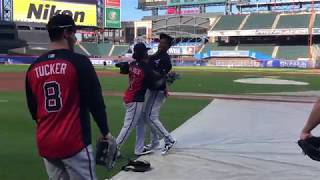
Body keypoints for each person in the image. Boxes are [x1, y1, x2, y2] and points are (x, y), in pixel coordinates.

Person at [25, 14, 112, 180]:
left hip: (46, 142)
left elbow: (34, 110)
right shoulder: (79, 62)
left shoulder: (33, 67)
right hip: (74, 143)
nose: (75, 38)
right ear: (66, 33)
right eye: (73, 33)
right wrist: (105, 131)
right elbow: (96, 102)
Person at [116, 43, 161, 156]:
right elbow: (154, 84)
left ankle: (139, 149)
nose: (147, 53)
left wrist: (121, 64)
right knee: (128, 126)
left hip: (130, 97)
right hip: (135, 100)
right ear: (142, 53)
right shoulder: (145, 68)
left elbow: (123, 69)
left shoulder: (132, 64)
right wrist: (165, 80)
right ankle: (114, 150)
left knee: (140, 123)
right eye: (145, 52)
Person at [135, 33, 176, 155]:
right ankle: (155, 142)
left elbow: (158, 77)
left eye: (164, 44)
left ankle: (169, 140)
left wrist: (166, 79)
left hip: (158, 91)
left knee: (150, 117)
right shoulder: (155, 56)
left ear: (168, 47)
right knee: (147, 116)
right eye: (160, 42)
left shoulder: (165, 59)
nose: (161, 45)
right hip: (152, 90)